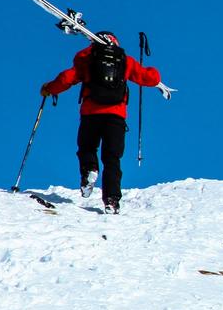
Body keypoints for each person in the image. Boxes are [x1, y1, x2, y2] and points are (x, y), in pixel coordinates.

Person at [41, 33, 170, 213]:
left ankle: (89, 171)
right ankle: (111, 200)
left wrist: (49, 88)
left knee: (87, 148)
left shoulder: (86, 59)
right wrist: (153, 70)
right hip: (116, 117)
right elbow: (151, 78)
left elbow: (66, 78)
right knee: (112, 159)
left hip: (91, 114)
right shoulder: (125, 60)